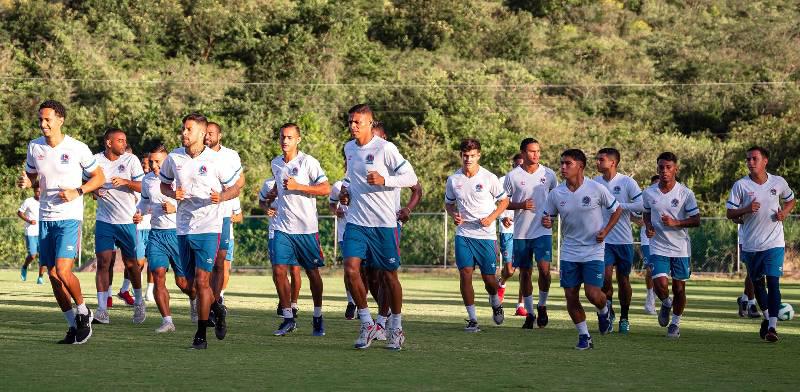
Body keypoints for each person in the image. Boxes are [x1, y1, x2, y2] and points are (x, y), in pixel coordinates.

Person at [19, 99, 105, 344]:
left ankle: (83, 311)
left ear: (60, 120)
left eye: (47, 119)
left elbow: (99, 177)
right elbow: (33, 177)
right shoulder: (34, 147)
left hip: (69, 217)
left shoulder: (77, 147)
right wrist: (28, 183)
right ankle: (72, 326)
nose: (43, 124)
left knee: (63, 271)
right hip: (45, 218)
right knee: (53, 276)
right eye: (40, 120)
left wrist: (78, 191)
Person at [339, 104, 418, 350]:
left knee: (388, 276)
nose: (353, 126)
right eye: (351, 121)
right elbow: (353, 179)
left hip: (384, 224)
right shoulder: (349, 148)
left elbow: (412, 179)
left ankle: (396, 327)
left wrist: (386, 180)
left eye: (357, 122)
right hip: (356, 222)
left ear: (370, 124)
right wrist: (346, 192)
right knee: (351, 269)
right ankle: (367, 323)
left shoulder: (386, 148)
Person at [159, 112, 241, 349]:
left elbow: (234, 188)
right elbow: (164, 184)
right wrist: (172, 193)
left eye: (189, 129)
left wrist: (221, 196)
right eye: (183, 129)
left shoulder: (217, 160)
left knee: (203, 281)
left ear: (202, 133)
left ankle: (201, 334)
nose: (184, 133)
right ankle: (217, 308)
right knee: (187, 284)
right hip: (184, 227)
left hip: (209, 227)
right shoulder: (174, 157)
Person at [541, 149, 621, 350]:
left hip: (594, 250)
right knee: (571, 295)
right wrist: (547, 222)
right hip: (569, 251)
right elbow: (547, 217)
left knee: (593, 294)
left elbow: (617, 210)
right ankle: (585, 336)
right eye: (562, 163)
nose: (563, 167)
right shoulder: (556, 193)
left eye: (568, 163)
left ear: (580, 166)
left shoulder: (596, 188)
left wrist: (605, 230)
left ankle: (604, 311)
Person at [266, 123, 330, 337]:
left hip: (306, 229)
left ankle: (318, 315)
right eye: (283, 137)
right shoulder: (275, 162)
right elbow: (279, 186)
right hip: (283, 227)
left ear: (298, 140)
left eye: (290, 137)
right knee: (278, 271)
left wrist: (299, 186)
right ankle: (288, 317)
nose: (285, 141)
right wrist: (273, 194)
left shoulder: (308, 162)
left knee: (312, 273)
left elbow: (325, 188)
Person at [726, 146, 795, 342]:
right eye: (748, 159)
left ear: (765, 161)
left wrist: (785, 213)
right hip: (751, 244)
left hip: (774, 242)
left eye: (754, 159)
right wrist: (746, 209)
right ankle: (766, 318)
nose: (750, 162)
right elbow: (730, 213)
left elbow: (791, 200)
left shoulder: (778, 182)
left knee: (773, 282)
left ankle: (773, 327)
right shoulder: (740, 185)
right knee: (757, 284)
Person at [445, 138, 509, 332]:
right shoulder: (453, 180)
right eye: (465, 155)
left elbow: (504, 201)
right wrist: (453, 214)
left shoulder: (489, 177)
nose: (468, 159)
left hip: (486, 235)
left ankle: (495, 302)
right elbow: (449, 203)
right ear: (461, 156)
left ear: (478, 155)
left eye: (472, 156)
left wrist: (492, 218)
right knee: (465, 274)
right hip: (464, 233)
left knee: (489, 280)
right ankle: (473, 319)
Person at [89, 128, 145, 325]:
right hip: (104, 221)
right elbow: (86, 183)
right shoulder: (95, 160)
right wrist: (95, 191)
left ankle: (139, 302)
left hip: (126, 221)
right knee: (103, 262)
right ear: (109, 142)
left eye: (124, 140)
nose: (123, 143)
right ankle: (102, 310)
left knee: (132, 264)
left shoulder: (131, 160)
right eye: (119, 140)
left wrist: (126, 182)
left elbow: (142, 186)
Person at [642, 152, 700, 339]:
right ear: (657, 169)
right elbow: (646, 213)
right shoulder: (649, 192)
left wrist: (677, 223)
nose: (664, 171)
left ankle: (675, 323)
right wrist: (649, 226)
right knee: (660, 284)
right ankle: (666, 303)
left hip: (680, 248)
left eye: (668, 167)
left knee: (679, 289)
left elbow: (696, 220)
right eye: (661, 167)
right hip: (658, 246)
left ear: (675, 169)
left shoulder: (685, 193)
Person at [502, 138, 558, 329]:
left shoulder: (549, 174)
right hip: (521, 233)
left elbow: (557, 200)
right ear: (523, 153)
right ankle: (530, 313)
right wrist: (520, 205)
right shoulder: (513, 176)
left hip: (543, 231)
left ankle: (542, 306)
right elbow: (503, 202)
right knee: (525, 273)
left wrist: (552, 217)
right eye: (532, 151)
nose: (536, 155)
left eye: (538, 151)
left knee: (544, 270)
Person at [593, 148, 644, 334]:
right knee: (605, 279)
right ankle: (609, 311)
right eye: (597, 159)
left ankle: (624, 317)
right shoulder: (594, 183)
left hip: (623, 240)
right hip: (603, 240)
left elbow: (641, 204)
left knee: (623, 280)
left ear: (612, 162)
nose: (597, 162)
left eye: (601, 160)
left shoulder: (627, 182)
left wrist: (619, 206)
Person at [134, 144, 182, 333]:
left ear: (167, 161)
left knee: (183, 283)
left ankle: (195, 300)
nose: (154, 165)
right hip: (156, 234)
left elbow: (195, 202)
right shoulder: (147, 180)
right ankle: (167, 321)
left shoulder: (180, 178)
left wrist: (175, 207)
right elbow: (145, 202)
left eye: (158, 162)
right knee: (158, 274)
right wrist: (140, 213)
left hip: (178, 233)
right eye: (152, 161)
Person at [204, 122, 245, 317]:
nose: (207, 137)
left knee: (220, 261)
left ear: (219, 136)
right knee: (203, 264)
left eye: (211, 133)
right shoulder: (194, 155)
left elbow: (240, 181)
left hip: (223, 213)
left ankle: (216, 300)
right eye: (205, 133)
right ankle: (206, 299)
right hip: (201, 216)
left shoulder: (230, 155)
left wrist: (225, 194)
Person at [260, 177, 302, 319]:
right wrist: (267, 208)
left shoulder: (295, 179)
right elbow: (262, 201)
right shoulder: (268, 183)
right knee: (278, 269)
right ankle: (283, 301)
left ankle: (294, 304)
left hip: (296, 231)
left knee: (295, 269)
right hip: (275, 231)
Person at [496, 153, 526, 316]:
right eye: (517, 165)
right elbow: (492, 203)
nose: (519, 168)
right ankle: (501, 283)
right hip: (508, 231)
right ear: (512, 165)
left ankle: (521, 305)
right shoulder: (502, 181)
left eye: (522, 165)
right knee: (509, 270)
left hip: (526, 231)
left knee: (524, 270)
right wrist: (503, 217)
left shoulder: (531, 182)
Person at [634, 175, 660, 314]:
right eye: (655, 183)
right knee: (650, 269)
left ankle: (659, 297)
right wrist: (638, 220)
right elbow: (633, 213)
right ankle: (650, 300)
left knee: (661, 273)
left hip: (664, 241)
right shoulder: (645, 197)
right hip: (647, 240)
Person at [18, 187, 46, 284]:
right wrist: (29, 221)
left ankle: (40, 277)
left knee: (43, 256)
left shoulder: (46, 201)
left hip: (43, 232)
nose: (39, 193)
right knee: (33, 254)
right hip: (30, 231)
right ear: (34, 191)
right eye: (37, 191)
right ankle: (25, 267)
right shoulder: (28, 201)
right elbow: (20, 212)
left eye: (40, 191)